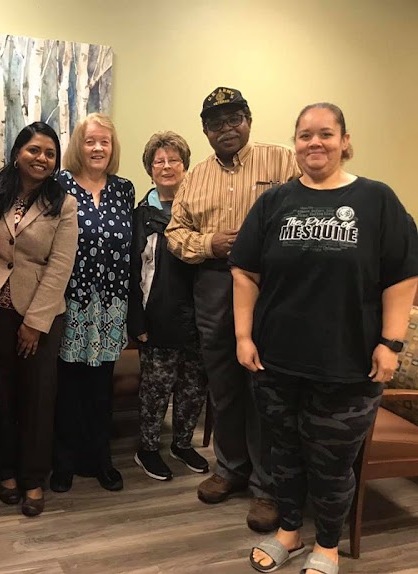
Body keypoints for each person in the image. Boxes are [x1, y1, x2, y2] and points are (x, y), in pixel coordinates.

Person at [230, 103, 418, 574]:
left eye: (326, 134)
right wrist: (243, 336)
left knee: (333, 464)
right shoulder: (274, 202)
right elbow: (245, 272)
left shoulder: (377, 200)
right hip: (276, 362)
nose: (315, 142)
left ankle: (328, 546)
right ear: (295, 143)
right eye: (305, 135)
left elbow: (402, 277)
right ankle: (289, 531)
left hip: (348, 365)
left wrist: (391, 343)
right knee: (284, 454)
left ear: (344, 141)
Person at [165, 87, 300, 532]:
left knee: (263, 387)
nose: (226, 128)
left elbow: (307, 208)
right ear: (205, 131)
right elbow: (175, 233)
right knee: (222, 383)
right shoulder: (195, 177)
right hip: (214, 283)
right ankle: (230, 469)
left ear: (248, 120)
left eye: (234, 119)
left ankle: (267, 487)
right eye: (215, 123)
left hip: (269, 286)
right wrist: (209, 243)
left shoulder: (282, 161)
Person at [0, 122, 78, 517]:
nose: (42, 158)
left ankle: (33, 476)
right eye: (34, 150)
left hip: (41, 312)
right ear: (18, 152)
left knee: (38, 397)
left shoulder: (63, 203)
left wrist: (35, 322)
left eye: (50, 153)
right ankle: (4, 470)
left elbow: (60, 265)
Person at [51, 113, 135, 493]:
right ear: (78, 147)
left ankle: (101, 459)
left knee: (102, 387)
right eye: (90, 141)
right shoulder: (60, 184)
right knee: (68, 385)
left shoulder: (124, 189)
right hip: (71, 301)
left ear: (112, 147)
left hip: (112, 304)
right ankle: (64, 462)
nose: (98, 148)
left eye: (105, 141)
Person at [128, 131, 208, 481]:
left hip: (199, 316)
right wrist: (137, 321)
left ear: (185, 166)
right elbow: (133, 270)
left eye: (173, 160)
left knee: (193, 387)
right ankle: (147, 449)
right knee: (156, 389)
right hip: (158, 316)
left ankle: (182, 443)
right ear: (150, 170)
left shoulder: (201, 210)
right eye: (158, 161)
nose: (166, 166)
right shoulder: (141, 216)